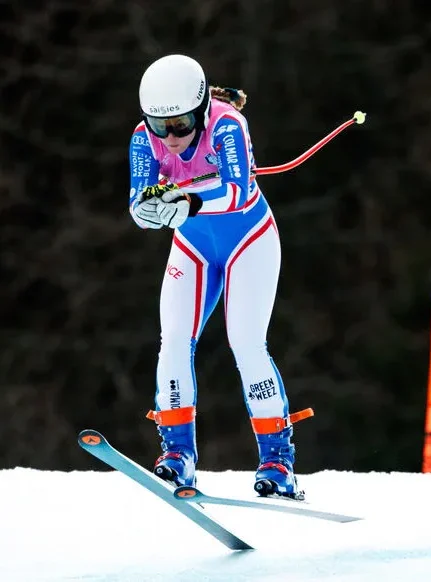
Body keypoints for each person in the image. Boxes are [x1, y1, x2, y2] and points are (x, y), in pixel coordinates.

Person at [128, 54, 313, 499]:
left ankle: (278, 462)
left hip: (249, 239)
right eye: (160, 126)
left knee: (246, 342)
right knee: (173, 340)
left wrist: (186, 203)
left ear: (201, 110)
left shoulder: (227, 125)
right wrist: (147, 210)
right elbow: (138, 201)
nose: (170, 138)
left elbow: (237, 191)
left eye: (181, 125)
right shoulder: (142, 138)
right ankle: (178, 455)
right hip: (193, 245)